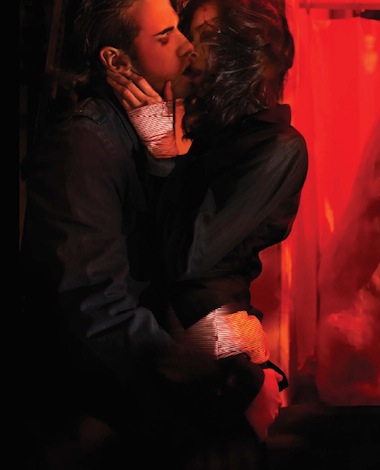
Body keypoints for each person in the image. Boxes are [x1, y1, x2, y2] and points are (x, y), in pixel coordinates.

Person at [19, 0, 284, 468]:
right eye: (165, 37)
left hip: (166, 399)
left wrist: (247, 367)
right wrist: (230, 388)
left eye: (181, 29)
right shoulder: (86, 144)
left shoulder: (159, 128)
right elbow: (100, 311)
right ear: (117, 61)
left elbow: (190, 270)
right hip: (111, 426)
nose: (188, 47)